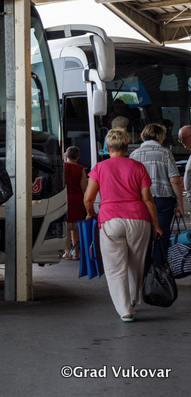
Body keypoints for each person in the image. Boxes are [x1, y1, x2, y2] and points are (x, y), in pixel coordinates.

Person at [84, 128, 162, 322]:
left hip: (110, 219)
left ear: (107, 148)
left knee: (115, 267)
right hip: (138, 219)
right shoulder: (138, 167)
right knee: (136, 264)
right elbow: (148, 199)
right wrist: (156, 225)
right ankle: (133, 299)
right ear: (127, 148)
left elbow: (88, 198)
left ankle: (125, 310)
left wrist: (91, 213)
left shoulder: (99, 168)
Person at [128, 123, 183, 271]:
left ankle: (145, 272)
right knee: (161, 235)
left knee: (144, 236)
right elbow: (174, 180)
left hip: (141, 200)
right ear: (160, 136)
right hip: (163, 199)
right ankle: (160, 271)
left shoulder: (134, 155)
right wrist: (180, 203)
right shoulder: (165, 153)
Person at [62, 146, 88, 260]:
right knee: (76, 227)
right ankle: (76, 252)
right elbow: (84, 187)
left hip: (66, 199)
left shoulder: (63, 167)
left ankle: (67, 252)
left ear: (66, 155)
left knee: (67, 227)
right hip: (78, 200)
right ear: (77, 157)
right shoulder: (81, 169)